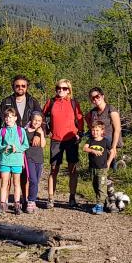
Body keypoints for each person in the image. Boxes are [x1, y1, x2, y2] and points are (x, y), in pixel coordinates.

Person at [0, 75, 41, 207]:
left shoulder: (32, 101)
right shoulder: (6, 101)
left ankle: (24, 199)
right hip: (9, 139)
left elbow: (41, 119)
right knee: (7, 174)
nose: (20, 88)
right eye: (17, 85)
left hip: (28, 140)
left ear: (27, 87)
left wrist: (38, 135)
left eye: (23, 86)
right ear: (13, 87)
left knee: (24, 173)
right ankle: (5, 202)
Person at [43, 78, 84, 208]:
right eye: (59, 88)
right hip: (56, 139)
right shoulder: (51, 102)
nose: (61, 90)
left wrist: (80, 133)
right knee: (53, 169)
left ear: (69, 90)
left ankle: (72, 197)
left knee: (73, 170)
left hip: (71, 139)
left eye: (64, 88)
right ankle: (50, 198)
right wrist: (45, 131)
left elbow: (80, 118)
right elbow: (42, 116)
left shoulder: (73, 103)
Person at [0, 107, 29, 214]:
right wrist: (3, 148)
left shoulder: (21, 131)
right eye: (6, 117)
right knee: (4, 183)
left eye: (10, 117)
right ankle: (2, 204)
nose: (8, 119)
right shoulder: (2, 131)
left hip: (17, 161)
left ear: (15, 118)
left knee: (16, 183)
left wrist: (17, 149)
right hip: (4, 161)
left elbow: (26, 145)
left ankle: (17, 204)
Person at [86, 87, 122, 170]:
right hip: (98, 142)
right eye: (93, 98)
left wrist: (114, 147)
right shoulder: (93, 112)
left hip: (110, 141)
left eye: (97, 96)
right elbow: (86, 118)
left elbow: (117, 129)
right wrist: (91, 128)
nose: (95, 99)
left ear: (102, 96)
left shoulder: (111, 109)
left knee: (111, 166)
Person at [82, 120, 111, 214]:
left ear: (102, 131)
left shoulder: (105, 141)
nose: (95, 132)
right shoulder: (90, 140)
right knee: (95, 186)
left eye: (97, 130)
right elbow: (84, 148)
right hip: (92, 168)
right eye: (93, 130)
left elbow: (112, 151)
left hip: (102, 168)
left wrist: (109, 162)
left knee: (101, 186)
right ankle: (104, 202)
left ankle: (99, 205)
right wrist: (92, 150)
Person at [23, 111, 46, 213]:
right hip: (29, 158)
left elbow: (43, 145)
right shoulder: (25, 130)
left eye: (39, 121)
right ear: (31, 120)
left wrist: (41, 134)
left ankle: (33, 201)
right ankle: (30, 201)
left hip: (39, 159)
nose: (37, 122)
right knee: (32, 180)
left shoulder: (40, 131)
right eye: (35, 120)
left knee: (36, 181)